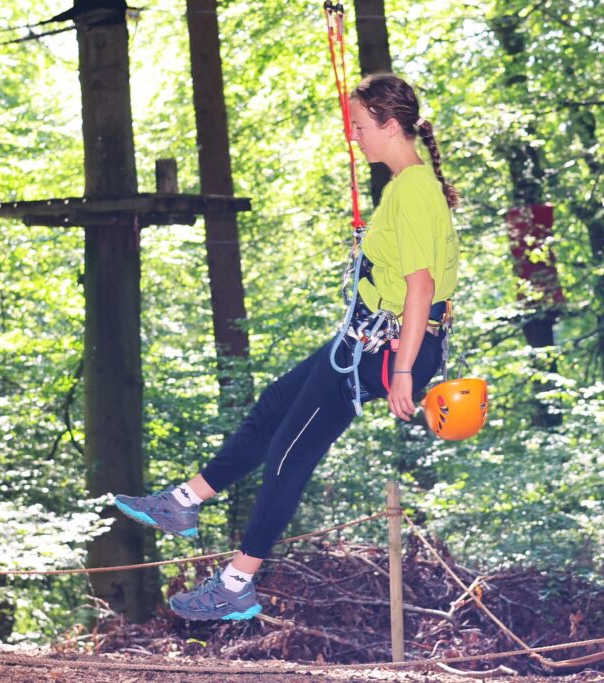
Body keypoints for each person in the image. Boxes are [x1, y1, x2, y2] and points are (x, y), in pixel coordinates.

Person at [115, 73, 460, 621]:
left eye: (360, 126)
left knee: (290, 451)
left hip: (387, 349)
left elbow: (421, 287)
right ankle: (183, 503)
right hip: (369, 338)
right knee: (276, 403)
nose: (354, 136)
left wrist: (403, 371)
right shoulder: (403, 187)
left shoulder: (415, 189)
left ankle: (236, 583)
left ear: (392, 125)